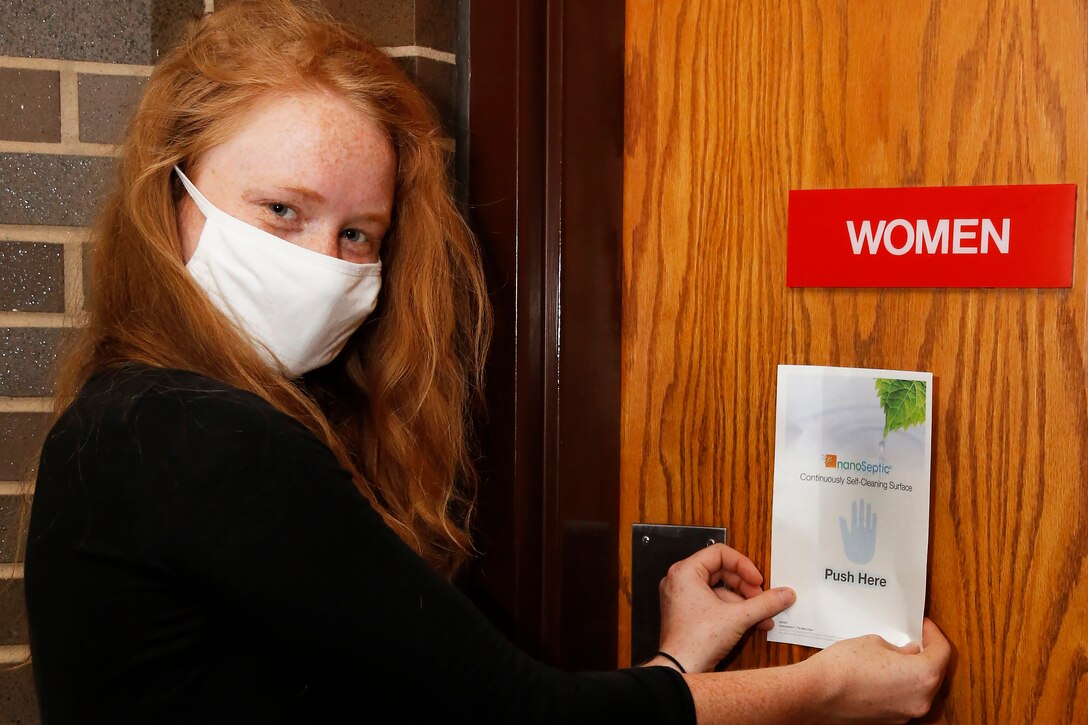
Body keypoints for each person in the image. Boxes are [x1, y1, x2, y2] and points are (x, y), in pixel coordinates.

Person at [23, 1, 950, 722]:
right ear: (172, 200)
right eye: (281, 212)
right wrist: (823, 694)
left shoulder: (137, 418)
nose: (321, 261)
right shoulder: (188, 431)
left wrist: (673, 667)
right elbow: (511, 719)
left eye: (358, 233)